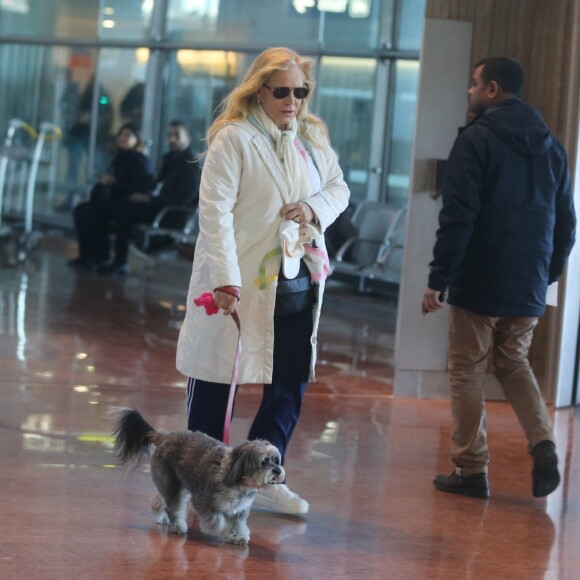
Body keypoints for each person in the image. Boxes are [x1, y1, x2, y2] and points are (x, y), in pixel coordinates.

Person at [176, 47, 350, 514]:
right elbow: (214, 215)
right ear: (258, 91)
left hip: (296, 282)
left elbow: (339, 188)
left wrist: (314, 208)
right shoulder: (232, 139)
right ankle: (204, 479)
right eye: (282, 91)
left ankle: (266, 477)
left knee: (289, 382)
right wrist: (226, 280)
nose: (292, 100)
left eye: (300, 91)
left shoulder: (311, 136)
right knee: (216, 382)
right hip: (238, 282)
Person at [422, 57, 576, 499]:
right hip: (528, 280)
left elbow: (459, 216)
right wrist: (547, 272)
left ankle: (471, 470)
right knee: (514, 363)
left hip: (482, 277)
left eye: (473, 84)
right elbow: (567, 220)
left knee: (467, 370)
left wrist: (439, 277)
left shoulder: (477, 139)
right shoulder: (552, 146)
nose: (469, 92)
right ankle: (543, 442)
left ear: (492, 89)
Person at [100, 121, 201, 274]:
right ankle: (109, 258)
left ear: (187, 138)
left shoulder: (191, 164)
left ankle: (119, 261)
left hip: (169, 213)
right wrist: (146, 196)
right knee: (117, 205)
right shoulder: (171, 159)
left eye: (176, 135)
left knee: (123, 209)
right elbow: (157, 187)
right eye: (169, 135)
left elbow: (182, 199)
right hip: (158, 206)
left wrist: (150, 200)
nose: (171, 139)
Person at [69, 123, 154, 272]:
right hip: (110, 200)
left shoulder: (140, 160)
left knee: (94, 212)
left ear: (137, 139)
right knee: (80, 210)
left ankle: (101, 257)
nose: (122, 138)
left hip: (123, 203)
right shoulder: (117, 159)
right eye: (121, 135)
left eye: (127, 135)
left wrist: (115, 182)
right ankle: (86, 255)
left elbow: (140, 188)